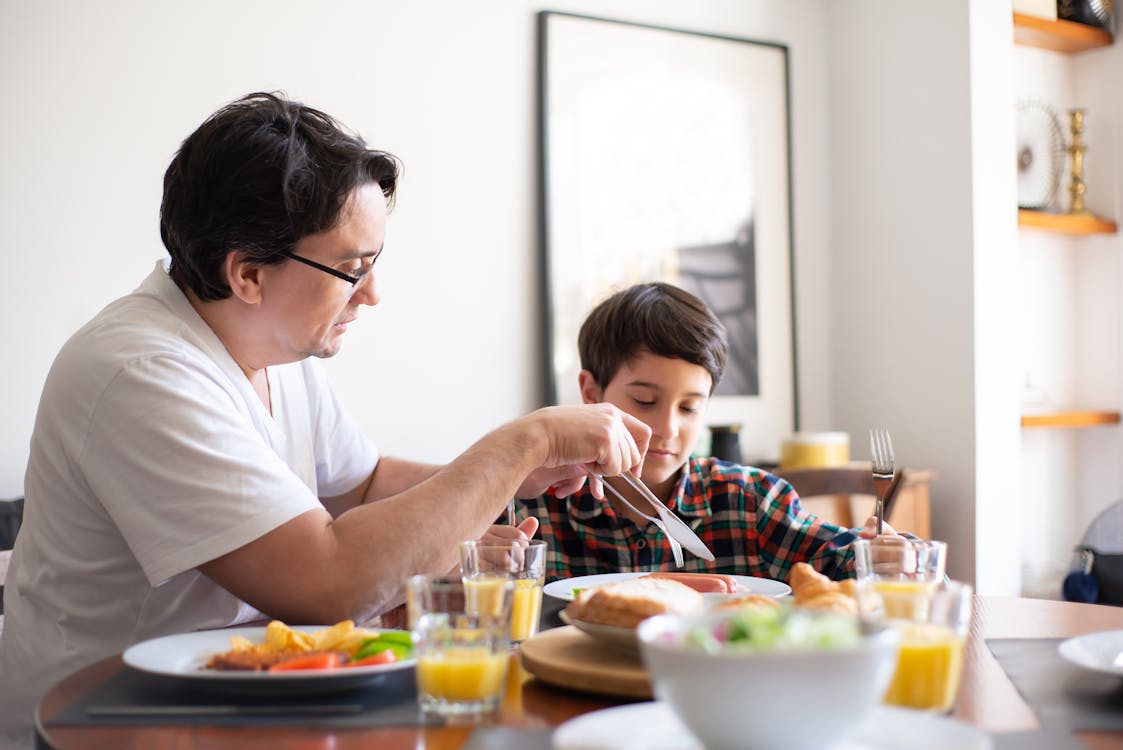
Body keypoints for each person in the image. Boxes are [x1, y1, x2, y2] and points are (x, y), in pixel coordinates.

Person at [0, 92, 649, 747]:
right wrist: (523, 440)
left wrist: (520, 475)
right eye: (351, 269)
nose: (372, 294)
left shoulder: (273, 343)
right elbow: (328, 584)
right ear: (248, 274)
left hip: (245, 700)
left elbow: (363, 484)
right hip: (105, 721)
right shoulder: (141, 371)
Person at [515, 282, 903, 584]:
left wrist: (889, 554)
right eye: (645, 401)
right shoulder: (530, 504)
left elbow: (844, 559)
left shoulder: (749, 503)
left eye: (689, 407)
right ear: (591, 393)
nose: (667, 428)